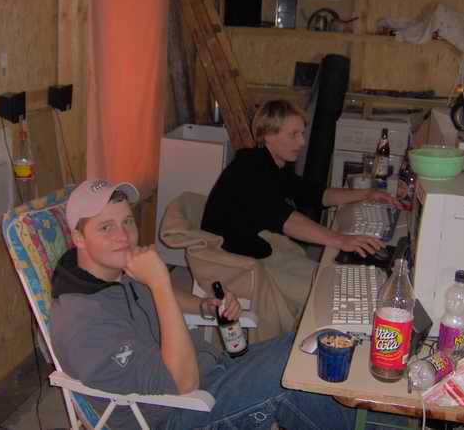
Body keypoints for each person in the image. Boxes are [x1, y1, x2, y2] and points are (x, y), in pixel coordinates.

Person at [50, 179, 355, 430]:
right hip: (173, 414)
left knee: (304, 347)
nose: (124, 236)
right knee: (285, 375)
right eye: (106, 227)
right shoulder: (84, 323)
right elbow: (181, 384)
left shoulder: (111, 271)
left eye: (127, 221)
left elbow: (158, 297)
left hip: (210, 373)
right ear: (79, 238)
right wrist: (159, 282)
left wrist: (204, 306)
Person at [201, 99, 398, 332]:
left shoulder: (272, 164)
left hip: (255, 246)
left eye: (302, 134)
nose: (302, 142)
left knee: (329, 278)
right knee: (324, 296)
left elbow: (315, 194)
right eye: (294, 134)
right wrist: (340, 240)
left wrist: (366, 194)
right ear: (268, 135)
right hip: (233, 260)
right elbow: (284, 219)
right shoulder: (251, 169)